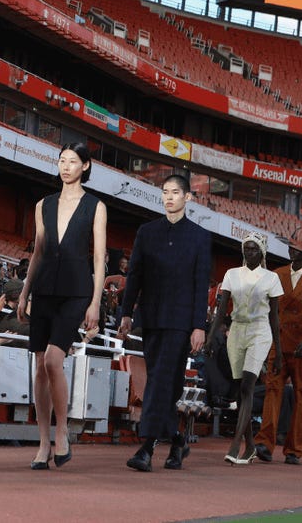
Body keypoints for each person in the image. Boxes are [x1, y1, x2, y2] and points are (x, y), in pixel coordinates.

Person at [18, 142, 107, 469]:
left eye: (72, 161)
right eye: (61, 160)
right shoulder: (44, 204)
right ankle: (43, 443)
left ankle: (62, 432)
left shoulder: (96, 206)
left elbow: (98, 258)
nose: (65, 166)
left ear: (85, 166)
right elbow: (38, 251)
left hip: (76, 291)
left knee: (55, 360)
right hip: (44, 289)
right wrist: (25, 291)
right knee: (40, 366)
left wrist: (95, 302)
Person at [117, 174, 211, 472]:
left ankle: (146, 447)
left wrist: (199, 325)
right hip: (152, 317)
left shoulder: (199, 236)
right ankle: (177, 440)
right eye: (165, 192)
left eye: (175, 192)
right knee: (165, 382)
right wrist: (126, 313)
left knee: (158, 381)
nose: (169, 197)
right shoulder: (147, 232)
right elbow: (135, 275)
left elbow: (200, 285)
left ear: (188, 198)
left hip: (182, 322)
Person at [253, 230, 302, 465]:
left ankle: (294, 449)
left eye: (297, 248)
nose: (292, 250)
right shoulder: (277, 274)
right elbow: (268, 311)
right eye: (291, 246)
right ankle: (264, 443)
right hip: (278, 344)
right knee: (272, 392)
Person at [207, 232, 284, 464]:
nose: (249, 252)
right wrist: (211, 336)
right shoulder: (232, 274)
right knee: (241, 389)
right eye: (246, 248)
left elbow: (275, 318)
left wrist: (278, 352)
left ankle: (235, 446)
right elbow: (221, 310)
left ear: (261, 252)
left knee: (248, 386)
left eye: (253, 249)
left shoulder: (271, 278)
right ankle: (250, 446)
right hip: (237, 331)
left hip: (260, 331)